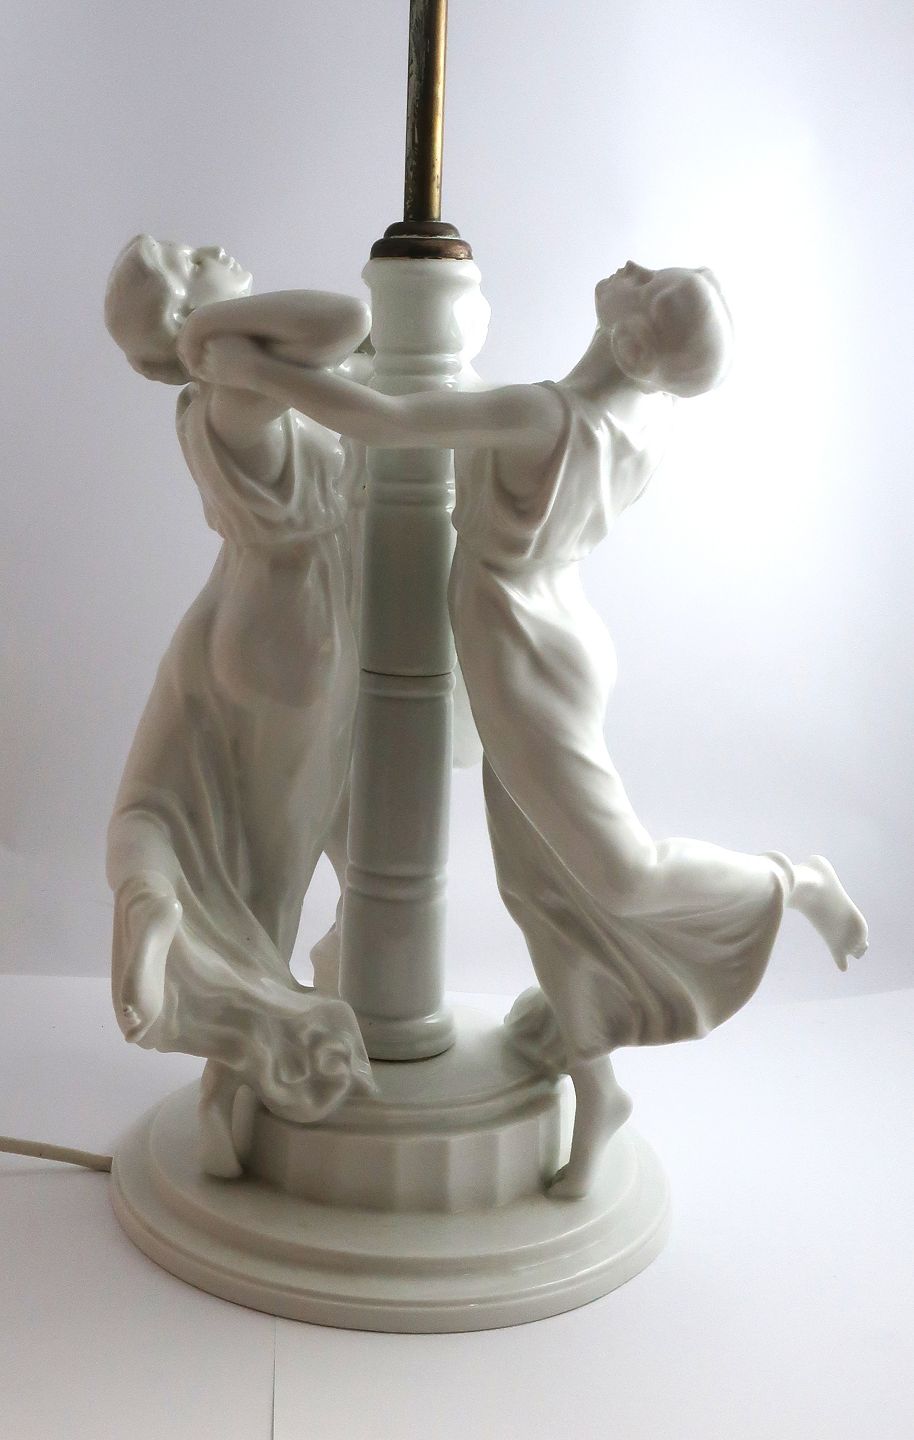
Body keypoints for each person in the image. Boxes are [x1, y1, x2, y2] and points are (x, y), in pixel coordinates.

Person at [185, 260, 868, 1197]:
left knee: (618, 872)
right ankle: (598, 1092)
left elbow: (386, 424)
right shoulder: (640, 419)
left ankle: (792, 882)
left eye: (645, 284)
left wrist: (258, 372)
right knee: (544, 889)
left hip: (523, 655)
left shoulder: (540, 415)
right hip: (540, 635)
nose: (627, 269)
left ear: (632, 341)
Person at [104, 235, 374, 1175]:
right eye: (187, 260)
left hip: (236, 610)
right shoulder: (230, 389)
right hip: (296, 632)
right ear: (189, 322)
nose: (211, 247)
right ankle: (238, 1077)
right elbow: (348, 319)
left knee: (182, 808)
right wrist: (209, 331)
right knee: (273, 872)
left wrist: (205, 329)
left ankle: (158, 902)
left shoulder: (222, 389)